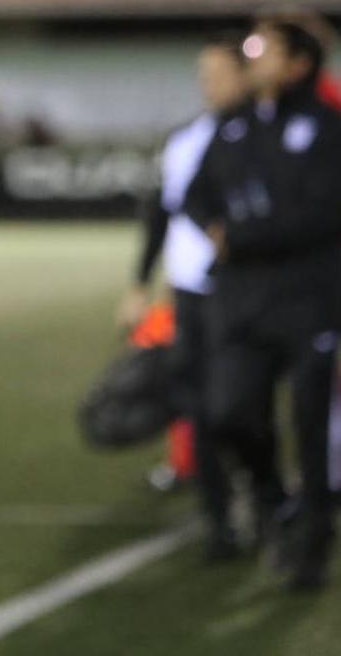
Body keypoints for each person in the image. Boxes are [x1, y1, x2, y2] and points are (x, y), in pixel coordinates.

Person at [184, 18, 341, 590]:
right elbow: (196, 195)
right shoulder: (234, 127)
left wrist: (241, 236)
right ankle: (274, 498)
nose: (251, 59)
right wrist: (216, 229)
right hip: (242, 303)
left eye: (265, 50)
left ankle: (314, 540)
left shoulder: (326, 129)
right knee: (230, 413)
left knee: (311, 422)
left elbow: (322, 215)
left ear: (299, 65)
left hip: (308, 304)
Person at [117, 33, 249, 559]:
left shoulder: (261, 138)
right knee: (200, 406)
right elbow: (160, 216)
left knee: (240, 410)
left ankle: (265, 493)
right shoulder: (186, 140)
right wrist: (138, 285)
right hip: (193, 296)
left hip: (249, 294)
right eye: (204, 76)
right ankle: (219, 524)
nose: (209, 86)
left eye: (219, 75)